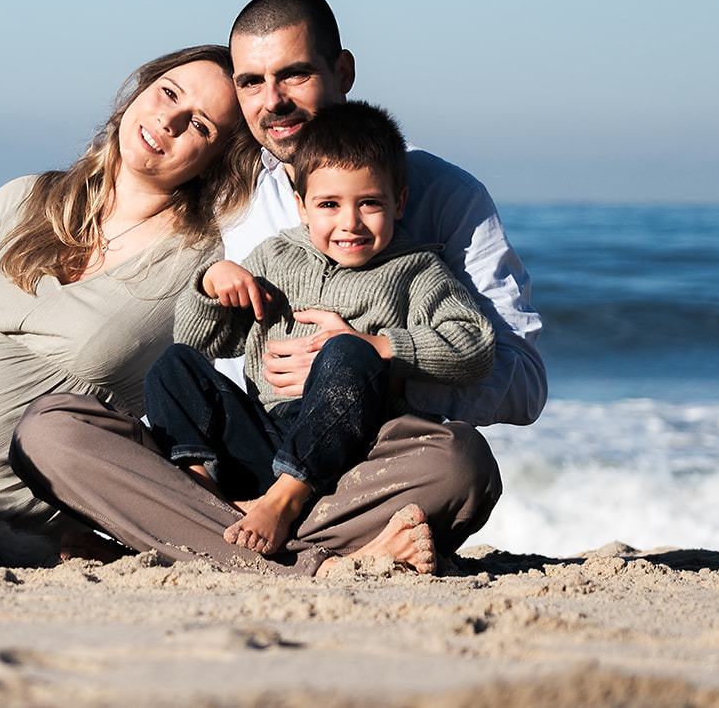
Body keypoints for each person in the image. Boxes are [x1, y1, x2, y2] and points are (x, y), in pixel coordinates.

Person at [3, 0, 545, 576]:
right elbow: (112, 219)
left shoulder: (445, 196)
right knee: (48, 430)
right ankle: (321, 559)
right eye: (251, 82)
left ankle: (207, 541)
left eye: (295, 75)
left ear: (343, 71)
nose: (273, 101)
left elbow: (522, 383)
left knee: (461, 465)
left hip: (360, 464)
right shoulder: (224, 189)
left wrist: (369, 367)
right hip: (233, 451)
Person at [0, 45, 256, 547]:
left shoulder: (202, 261)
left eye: (200, 125)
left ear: (218, 158)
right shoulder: (20, 199)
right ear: (137, 93)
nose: (170, 119)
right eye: (167, 93)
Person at [145, 100, 495, 560]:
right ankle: (203, 493)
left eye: (369, 204)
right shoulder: (274, 258)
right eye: (329, 204)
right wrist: (212, 287)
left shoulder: (416, 270)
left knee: (350, 353)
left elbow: (475, 343)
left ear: (399, 202)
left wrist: (377, 346)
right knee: (171, 366)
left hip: (348, 450)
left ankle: (285, 501)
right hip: (265, 434)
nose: (349, 223)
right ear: (302, 207)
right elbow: (199, 344)